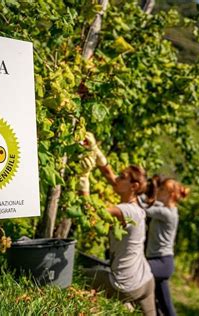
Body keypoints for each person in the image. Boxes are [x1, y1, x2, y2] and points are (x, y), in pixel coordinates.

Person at [81, 132, 156, 316]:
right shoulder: (137, 205)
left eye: (122, 177)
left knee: (76, 275)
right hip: (146, 280)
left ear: (134, 186)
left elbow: (93, 211)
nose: (117, 179)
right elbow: (109, 174)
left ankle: (124, 305)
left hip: (124, 284)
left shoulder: (125, 210)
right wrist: (95, 150)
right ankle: (126, 306)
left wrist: (84, 180)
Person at [145, 176, 189, 316]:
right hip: (161, 262)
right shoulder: (163, 208)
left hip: (162, 262)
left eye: (162, 189)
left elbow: (144, 208)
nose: (159, 191)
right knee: (166, 308)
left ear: (170, 194)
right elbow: (151, 203)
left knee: (136, 269)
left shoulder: (168, 214)